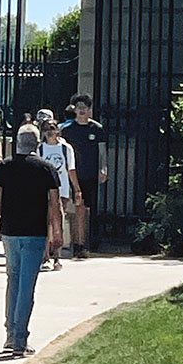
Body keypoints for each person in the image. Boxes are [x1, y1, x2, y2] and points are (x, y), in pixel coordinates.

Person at [0, 126, 62, 356]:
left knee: (13, 281)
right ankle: (20, 339)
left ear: (17, 143)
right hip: (35, 233)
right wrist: (56, 233)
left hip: (10, 232)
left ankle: (10, 333)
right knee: (26, 286)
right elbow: (54, 205)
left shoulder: (5, 167)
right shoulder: (46, 169)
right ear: (37, 144)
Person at [59, 93, 108, 257]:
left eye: (84, 108)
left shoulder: (97, 129)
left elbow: (102, 151)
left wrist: (103, 168)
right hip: (71, 175)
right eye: (78, 108)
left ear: (89, 110)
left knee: (86, 209)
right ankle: (71, 243)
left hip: (89, 174)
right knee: (72, 207)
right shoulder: (66, 130)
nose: (81, 111)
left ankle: (85, 242)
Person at [35, 119, 81, 270]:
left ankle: (57, 256)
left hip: (62, 189)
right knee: (46, 222)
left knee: (58, 221)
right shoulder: (40, 149)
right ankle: (46, 256)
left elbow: (71, 170)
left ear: (58, 130)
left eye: (52, 128)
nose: (50, 131)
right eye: (46, 128)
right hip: (44, 190)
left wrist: (77, 190)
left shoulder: (65, 148)